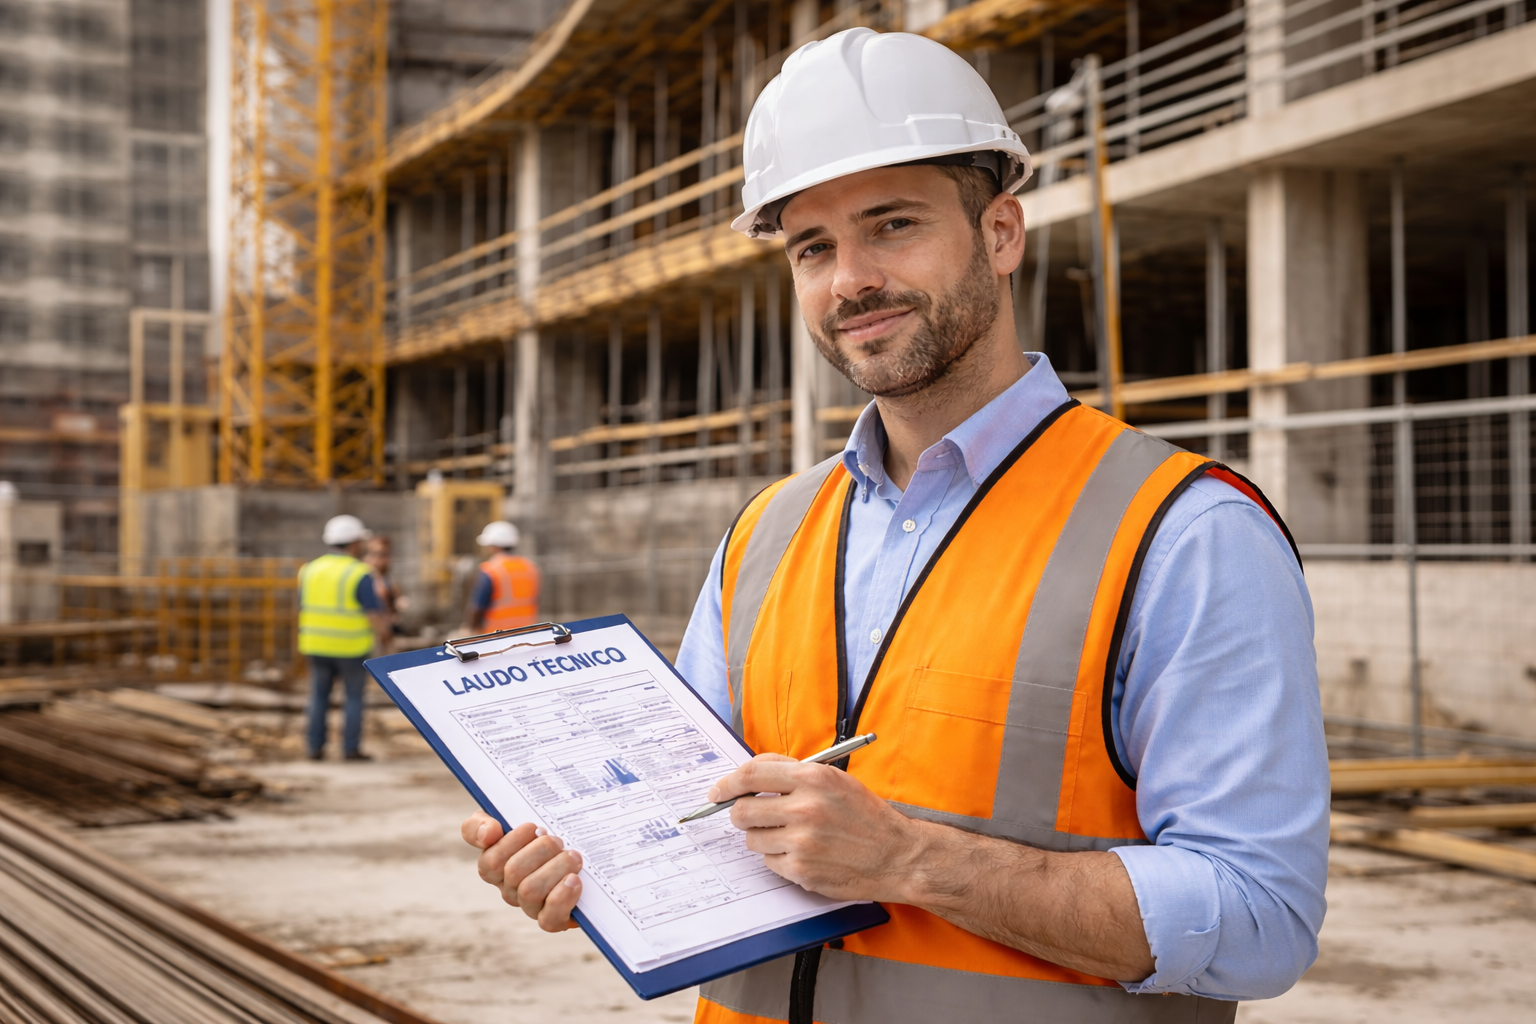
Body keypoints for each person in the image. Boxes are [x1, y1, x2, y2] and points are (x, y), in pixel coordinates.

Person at [461, 28, 1327, 1023]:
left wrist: (913, 859)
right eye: (813, 247)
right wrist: (592, 864)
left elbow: (1261, 919)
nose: (849, 280)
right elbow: (686, 821)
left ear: (1002, 234)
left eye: (894, 224)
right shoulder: (766, 534)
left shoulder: (1185, 532)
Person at [298, 514, 391, 762]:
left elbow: (301, 606)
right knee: (353, 698)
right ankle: (350, 749)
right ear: (354, 542)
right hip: (351, 647)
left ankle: (314, 748)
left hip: (315, 644)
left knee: (318, 697)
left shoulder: (309, 569)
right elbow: (374, 613)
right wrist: (385, 637)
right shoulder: (360, 572)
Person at [462, 520, 541, 634]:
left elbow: (478, 607)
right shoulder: (531, 567)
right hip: (527, 633)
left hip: (497, 635)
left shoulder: (491, 569)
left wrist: (470, 630)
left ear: (493, 545)